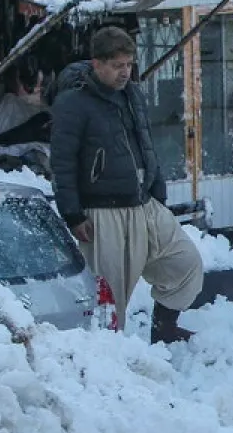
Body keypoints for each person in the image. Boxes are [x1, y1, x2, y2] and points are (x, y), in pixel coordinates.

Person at [50, 26, 204, 344]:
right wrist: (73, 214)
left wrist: (157, 191)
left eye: (129, 64)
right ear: (97, 64)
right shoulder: (73, 103)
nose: (125, 72)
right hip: (102, 212)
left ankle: (165, 328)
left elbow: (145, 144)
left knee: (184, 262)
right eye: (117, 65)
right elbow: (62, 163)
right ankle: (108, 364)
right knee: (109, 299)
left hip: (142, 203)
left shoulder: (132, 94)